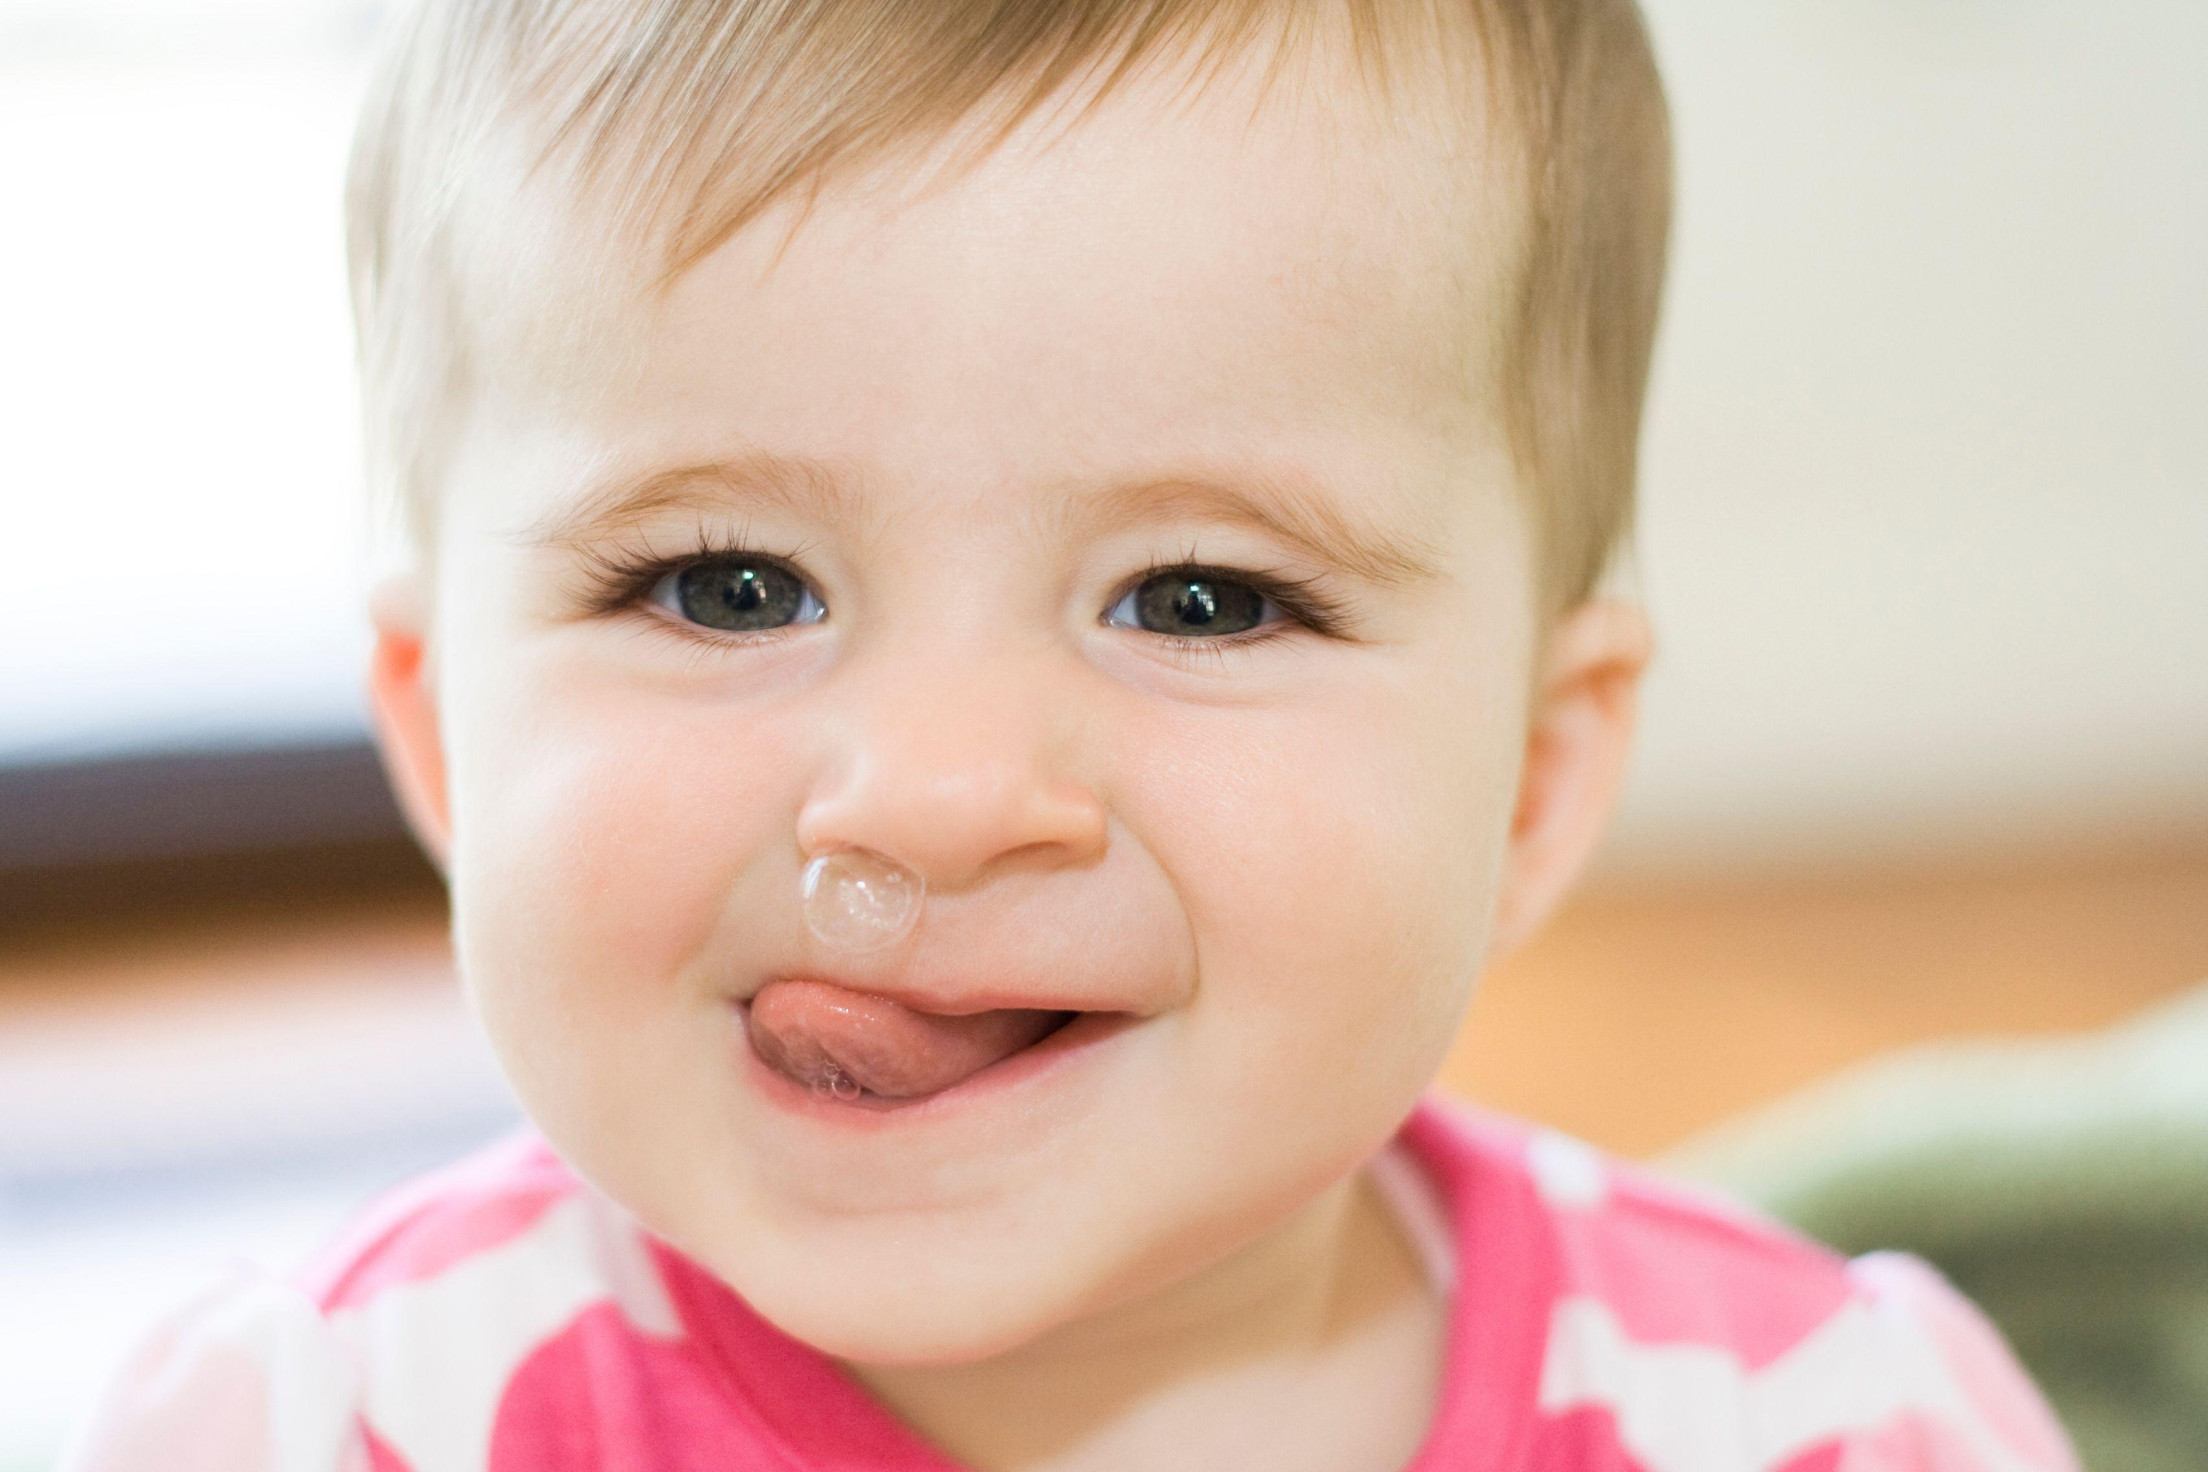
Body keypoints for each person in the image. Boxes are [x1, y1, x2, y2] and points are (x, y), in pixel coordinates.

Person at [58, 1, 2081, 1468]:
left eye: (1200, 599)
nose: (934, 795)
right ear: (439, 733)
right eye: (726, 585)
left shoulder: (1828, 1430)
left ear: (1537, 778)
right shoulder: (319, 1428)